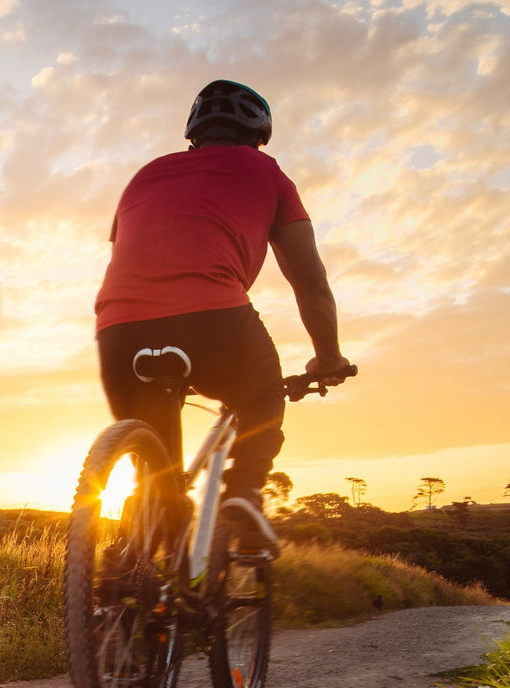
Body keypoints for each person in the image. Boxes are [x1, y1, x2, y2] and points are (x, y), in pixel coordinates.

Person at [94, 79, 351, 529]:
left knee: (158, 478)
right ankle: (244, 493)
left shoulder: (145, 175)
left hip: (118, 329)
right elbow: (310, 281)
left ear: (194, 132)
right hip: (213, 318)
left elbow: (126, 254)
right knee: (263, 396)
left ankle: (142, 540)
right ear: (258, 133)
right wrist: (328, 358)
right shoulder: (268, 173)